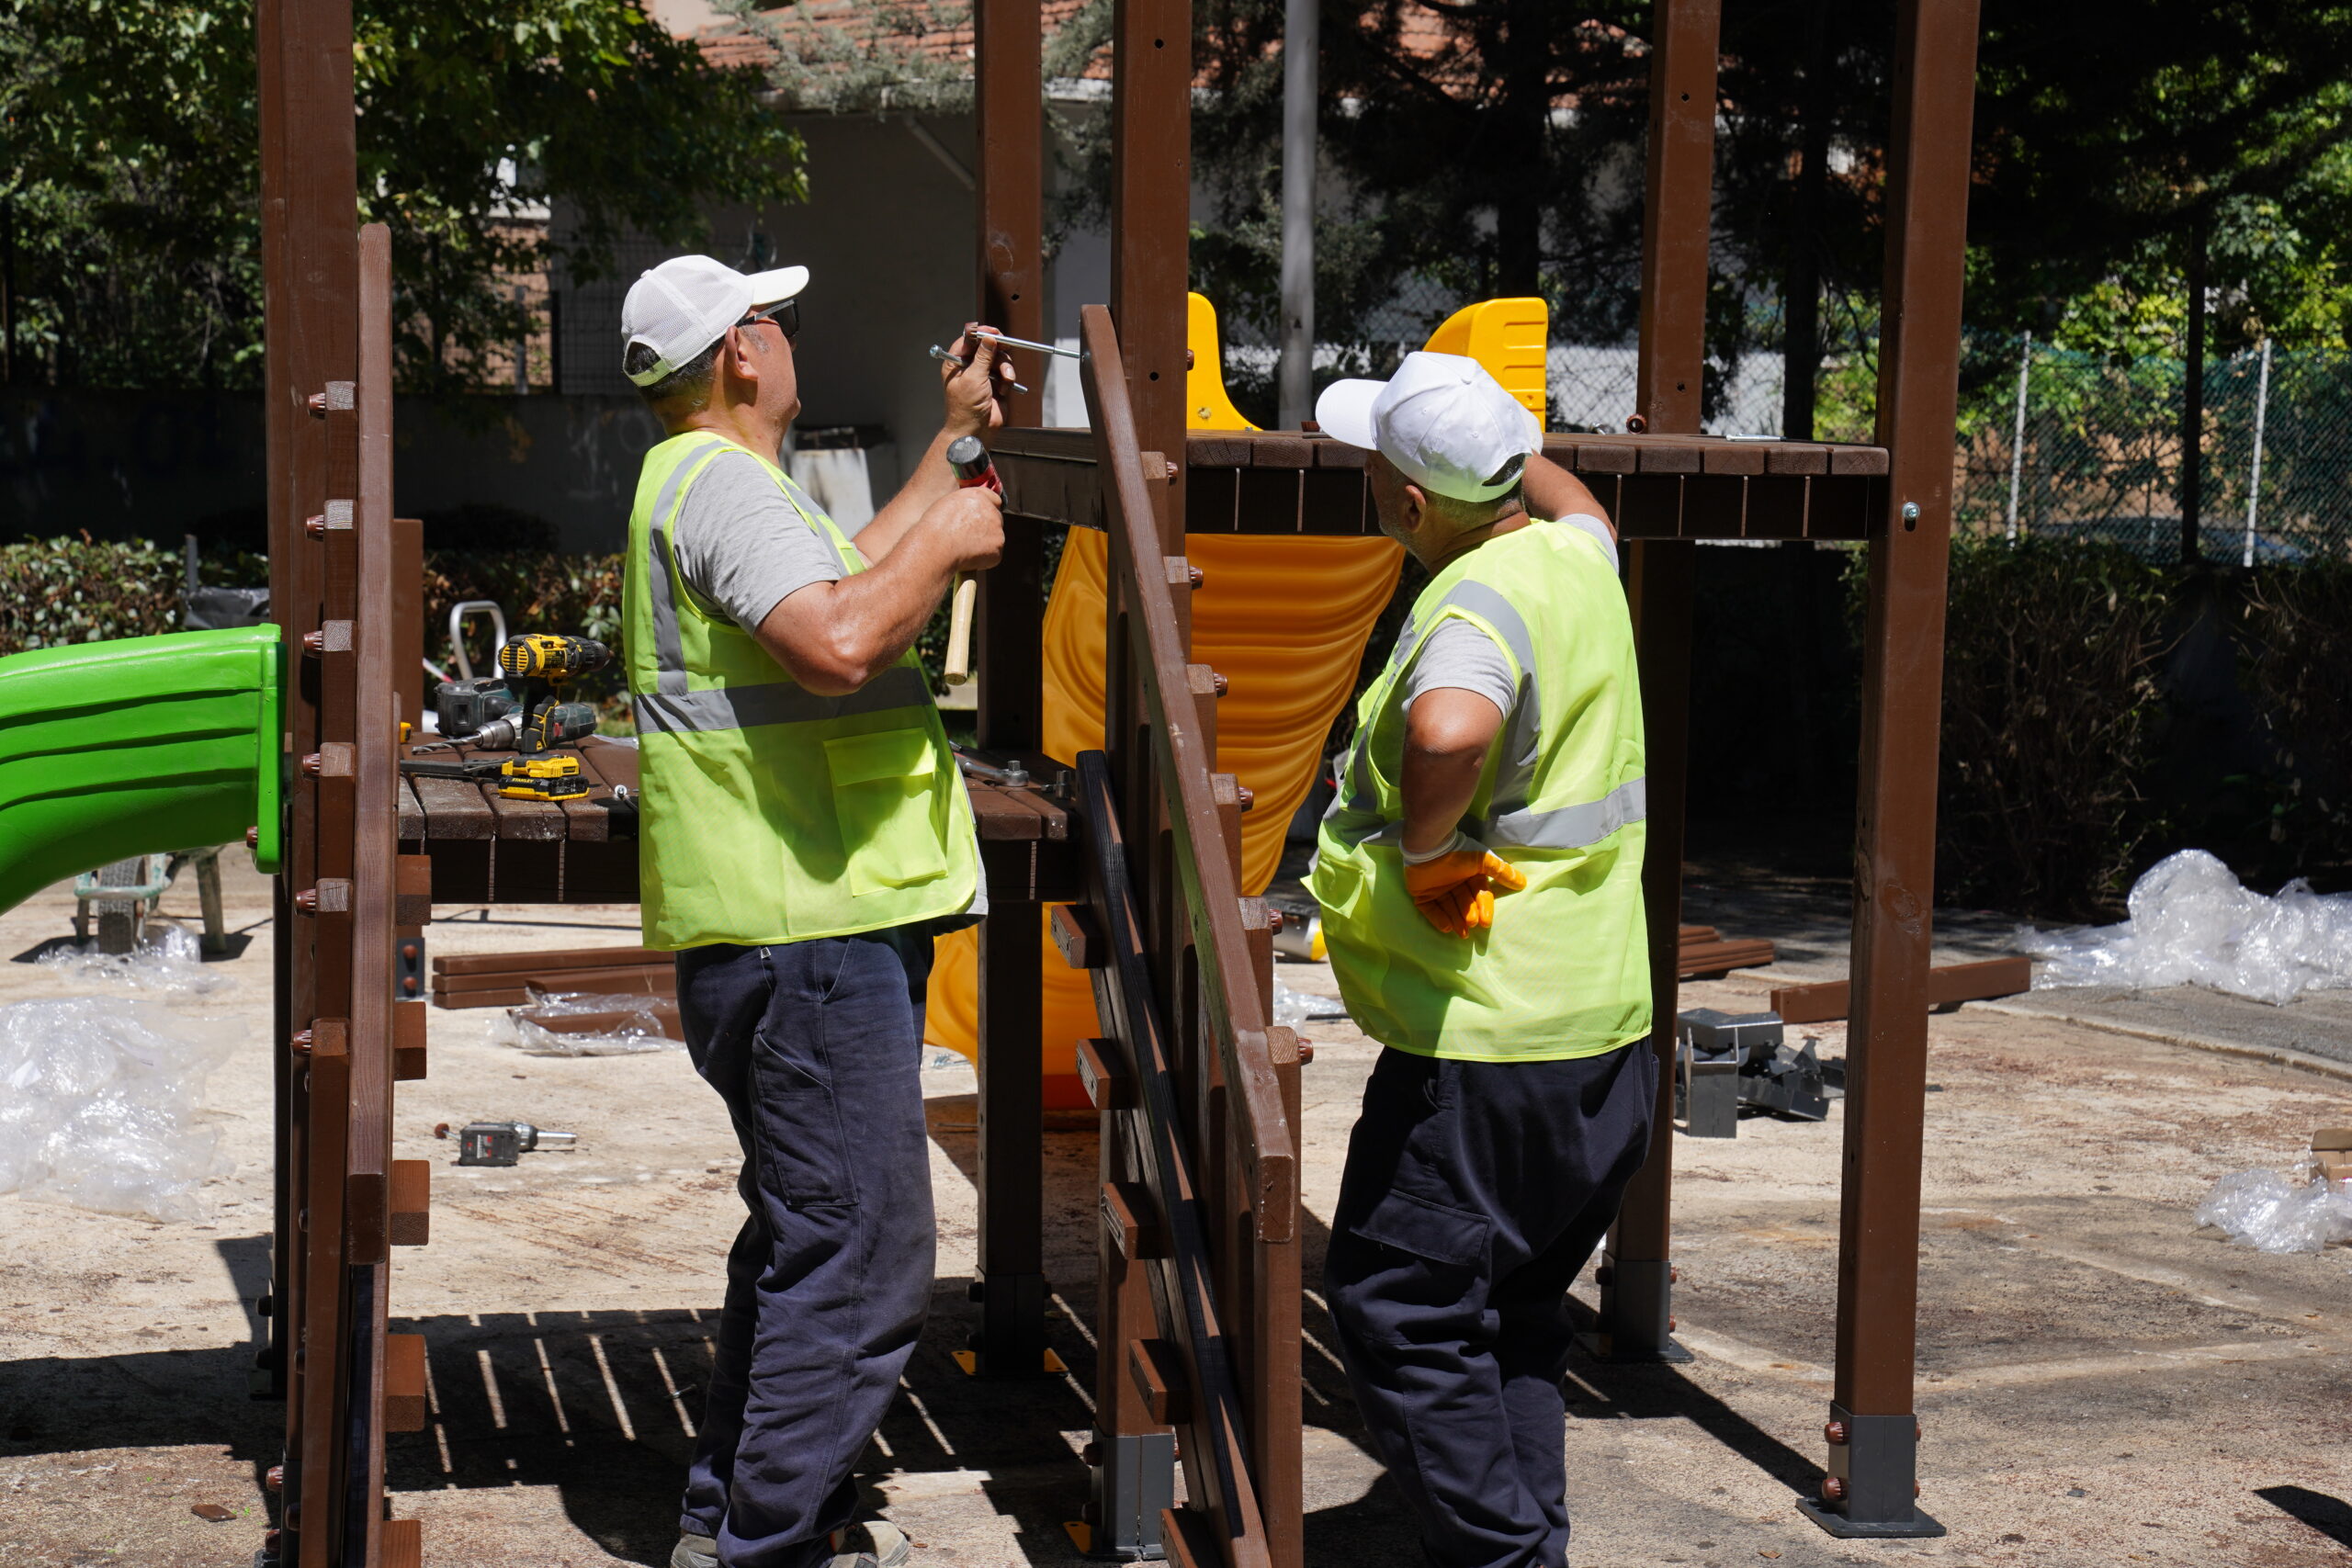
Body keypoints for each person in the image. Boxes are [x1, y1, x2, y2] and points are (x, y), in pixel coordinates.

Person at [616, 254, 1012, 1568]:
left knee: (812, 1238)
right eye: (769, 319)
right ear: (739, 354)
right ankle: (767, 1546)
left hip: (795, 927)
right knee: (863, 1260)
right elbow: (841, 642)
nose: (787, 338)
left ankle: (735, 1516)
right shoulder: (721, 488)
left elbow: (863, 569)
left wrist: (954, 451)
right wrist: (957, 547)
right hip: (805, 933)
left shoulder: (724, 486)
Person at [1307, 353, 1654, 1568]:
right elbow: (1578, 504)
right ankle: (1525, 1548)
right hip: (1601, 1043)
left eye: (1378, 467)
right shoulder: (1572, 558)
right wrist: (1511, 448)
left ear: (1407, 502)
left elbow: (1449, 724)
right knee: (1509, 1321)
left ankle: (1506, 1556)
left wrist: (1427, 844)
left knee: (1395, 1308)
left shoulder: (1473, 609)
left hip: (1486, 1046)